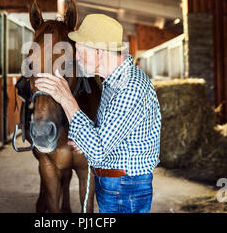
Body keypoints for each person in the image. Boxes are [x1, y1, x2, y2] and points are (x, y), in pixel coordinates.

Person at [34, 14, 161, 213]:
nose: (75, 56)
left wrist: (67, 98)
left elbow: (98, 150)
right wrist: (86, 140)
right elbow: (105, 136)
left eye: (79, 50)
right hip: (117, 185)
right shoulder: (113, 81)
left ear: (99, 52)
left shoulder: (129, 88)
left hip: (124, 188)